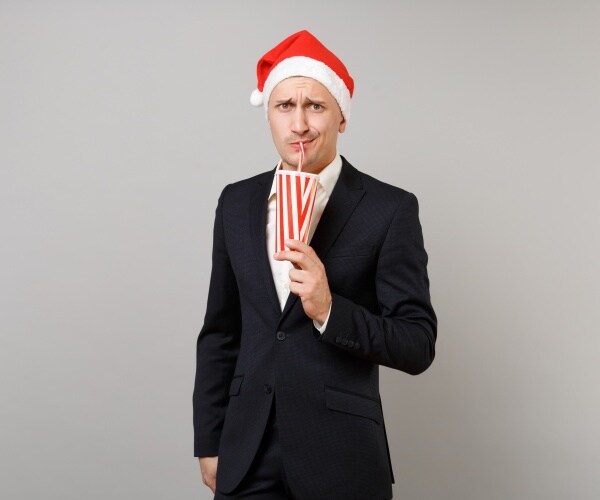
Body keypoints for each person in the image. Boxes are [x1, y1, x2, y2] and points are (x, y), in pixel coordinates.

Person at [193, 30, 437, 500]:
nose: (299, 124)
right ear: (268, 113)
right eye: (285, 106)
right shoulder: (237, 202)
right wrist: (209, 440)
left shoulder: (389, 209)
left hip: (342, 456)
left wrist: (328, 309)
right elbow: (220, 331)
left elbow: (417, 343)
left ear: (341, 117)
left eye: (316, 107)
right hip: (245, 453)